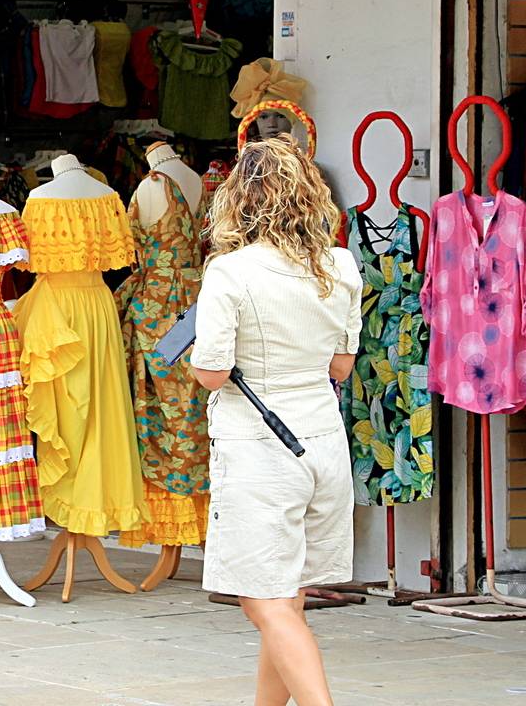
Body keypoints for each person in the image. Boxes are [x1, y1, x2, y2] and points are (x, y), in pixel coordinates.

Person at [190, 138, 361, 706]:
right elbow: (340, 367)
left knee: (262, 601)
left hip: (260, 450)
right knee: (286, 597)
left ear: (238, 201)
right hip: (323, 443)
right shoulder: (339, 265)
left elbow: (212, 373)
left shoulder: (230, 271)